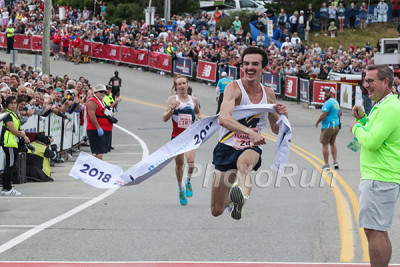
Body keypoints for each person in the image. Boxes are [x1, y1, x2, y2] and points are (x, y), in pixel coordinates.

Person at [210, 47, 287, 220]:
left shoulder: (268, 94)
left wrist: (283, 115)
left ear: (263, 68)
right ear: (241, 66)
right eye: (246, 64)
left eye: (255, 64)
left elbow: (276, 128)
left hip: (251, 146)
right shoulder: (234, 88)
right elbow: (223, 118)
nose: (250, 67)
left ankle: (240, 201)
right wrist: (248, 132)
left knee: (244, 166)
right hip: (226, 145)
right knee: (216, 210)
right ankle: (232, 201)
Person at [351, 64, 400, 267]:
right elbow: (375, 132)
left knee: (375, 230)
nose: (366, 85)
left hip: (380, 176)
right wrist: (362, 119)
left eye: (371, 81)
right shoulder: (383, 104)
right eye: (366, 81)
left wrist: (355, 129)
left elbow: (371, 141)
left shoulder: (390, 107)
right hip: (380, 175)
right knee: (375, 229)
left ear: (386, 82)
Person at [162, 75, 200, 206]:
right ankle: (180, 188)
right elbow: (164, 118)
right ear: (176, 87)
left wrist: (200, 120)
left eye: (184, 83)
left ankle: (188, 181)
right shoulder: (172, 99)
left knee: (191, 161)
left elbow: (198, 113)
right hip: (177, 137)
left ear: (187, 84)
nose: (182, 86)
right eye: (179, 84)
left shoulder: (194, 100)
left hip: (190, 137)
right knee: (179, 164)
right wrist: (172, 108)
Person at [1, 96, 31, 196]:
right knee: (10, 165)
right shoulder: (7, 115)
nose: (14, 105)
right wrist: (23, 136)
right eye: (11, 103)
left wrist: (22, 131)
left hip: (13, 142)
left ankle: (7, 187)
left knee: (12, 164)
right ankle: (7, 188)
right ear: (7, 104)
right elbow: (12, 129)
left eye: (15, 103)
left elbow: (17, 127)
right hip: (9, 142)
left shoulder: (14, 114)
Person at [315, 87, 340, 171]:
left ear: (332, 93)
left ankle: (326, 164)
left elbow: (324, 114)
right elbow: (339, 114)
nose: (325, 94)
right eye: (325, 92)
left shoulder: (328, 103)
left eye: (327, 92)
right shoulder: (336, 102)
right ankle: (335, 162)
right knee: (332, 143)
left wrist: (317, 122)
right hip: (335, 125)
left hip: (328, 126)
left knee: (325, 144)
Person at [86, 84, 113, 160]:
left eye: (104, 92)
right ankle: (94, 167)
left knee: (101, 152)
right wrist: (98, 127)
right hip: (96, 130)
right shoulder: (92, 101)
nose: (103, 94)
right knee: (99, 152)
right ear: (96, 92)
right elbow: (92, 115)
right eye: (101, 92)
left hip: (106, 129)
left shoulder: (101, 101)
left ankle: (94, 166)